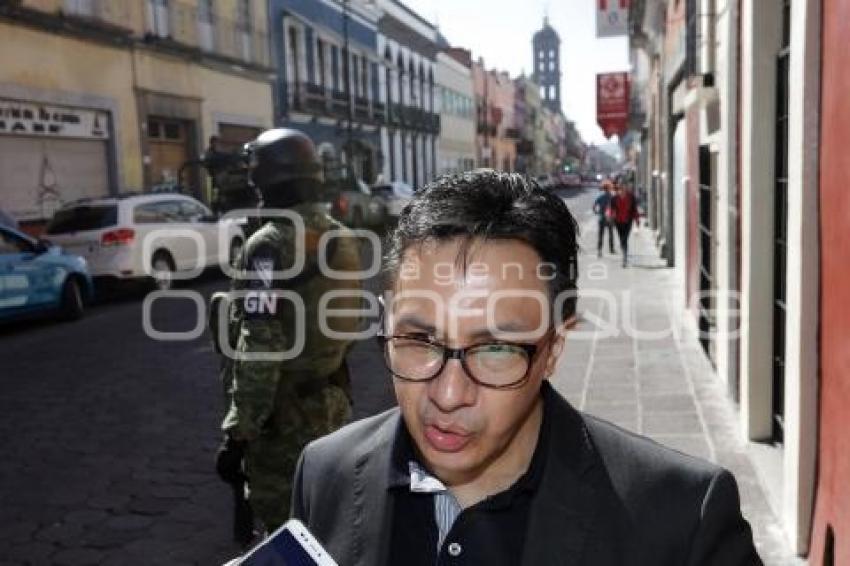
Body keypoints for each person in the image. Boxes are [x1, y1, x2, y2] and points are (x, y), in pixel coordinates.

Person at [289, 170, 761, 566]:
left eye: (496, 349)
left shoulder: (683, 520)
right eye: (418, 340)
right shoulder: (323, 472)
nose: (448, 394)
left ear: (553, 346)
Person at [213, 128, 363, 539]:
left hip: (287, 422)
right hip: (334, 405)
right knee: (331, 521)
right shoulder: (341, 235)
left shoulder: (268, 246)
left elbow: (261, 346)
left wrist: (239, 432)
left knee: (289, 531)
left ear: (267, 182)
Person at [610, 180, 641, 267]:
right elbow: (611, 210)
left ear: (626, 189)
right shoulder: (614, 198)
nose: (622, 190)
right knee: (621, 238)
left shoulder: (631, 197)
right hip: (618, 221)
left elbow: (634, 210)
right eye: (620, 188)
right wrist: (611, 219)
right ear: (618, 189)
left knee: (624, 239)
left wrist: (637, 221)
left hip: (628, 221)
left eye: (624, 188)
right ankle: (624, 255)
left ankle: (624, 258)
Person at [592, 180, 616, 257]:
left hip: (601, 217)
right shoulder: (612, 197)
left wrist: (596, 212)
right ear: (609, 188)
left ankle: (599, 250)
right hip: (609, 218)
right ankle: (611, 249)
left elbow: (594, 206)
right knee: (611, 234)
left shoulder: (600, 196)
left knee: (600, 234)